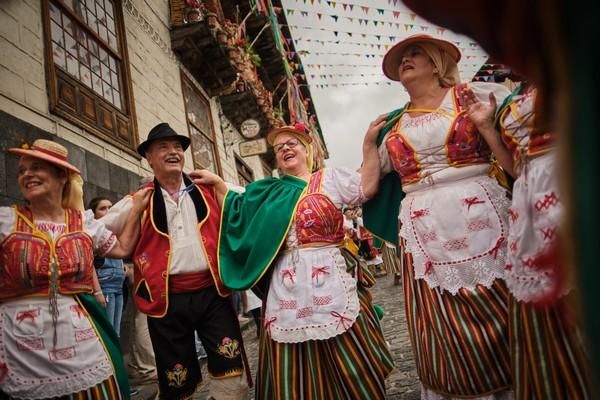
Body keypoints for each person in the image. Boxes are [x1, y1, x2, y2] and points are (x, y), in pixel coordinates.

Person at [193, 123, 393, 399]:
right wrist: (217, 183)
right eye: (279, 147)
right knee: (291, 357)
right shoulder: (269, 192)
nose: (285, 148)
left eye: (291, 143)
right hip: (287, 284)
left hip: (331, 277)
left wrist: (369, 145)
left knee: (348, 350)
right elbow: (238, 202)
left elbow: (367, 187)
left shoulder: (330, 179)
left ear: (306, 149)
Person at [363, 35, 513, 399]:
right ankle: (458, 385)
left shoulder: (472, 98)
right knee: (439, 317)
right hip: (422, 225)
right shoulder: (392, 126)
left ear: (436, 63)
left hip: (480, 208)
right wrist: (368, 145)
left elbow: (514, 164)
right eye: (402, 58)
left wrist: (488, 128)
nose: (406, 61)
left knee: (503, 299)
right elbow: (367, 189)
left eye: (415, 54)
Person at [101, 123, 248, 400]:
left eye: (178, 147)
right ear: (150, 158)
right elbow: (97, 232)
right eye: (163, 148)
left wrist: (219, 183)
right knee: (175, 376)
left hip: (213, 293)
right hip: (166, 299)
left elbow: (252, 201)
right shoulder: (138, 200)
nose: (173, 152)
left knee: (229, 366)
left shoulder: (208, 190)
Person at [465, 81, 591, 398]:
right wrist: (485, 127)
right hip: (530, 204)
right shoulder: (521, 88)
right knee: (553, 310)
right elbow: (516, 166)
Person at [0, 139, 150, 399]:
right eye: (22, 170)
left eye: (36, 167)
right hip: (21, 346)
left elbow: (124, 248)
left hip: (81, 341)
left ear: (61, 177)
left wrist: (136, 209)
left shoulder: (84, 224)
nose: (27, 175)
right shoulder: (6, 221)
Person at [89, 197, 127, 336]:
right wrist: (98, 292)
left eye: (110, 207)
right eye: (102, 208)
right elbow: (89, 263)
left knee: (116, 332)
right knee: (108, 331)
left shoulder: (116, 232)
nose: (108, 211)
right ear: (93, 214)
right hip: (105, 287)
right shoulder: (93, 233)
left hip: (119, 287)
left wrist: (124, 267)